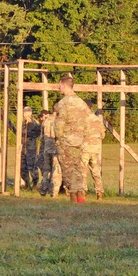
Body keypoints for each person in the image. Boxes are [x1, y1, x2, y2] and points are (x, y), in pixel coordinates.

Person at [53, 75, 92, 203]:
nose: (58, 88)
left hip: (66, 142)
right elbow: (88, 123)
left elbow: (59, 124)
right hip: (79, 142)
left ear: (64, 85)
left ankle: (73, 199)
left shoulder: (63, 103)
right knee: (78, 169)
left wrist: (58, 139)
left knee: (68, 171)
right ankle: (81, 198)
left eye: (59, 85)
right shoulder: (82, 103)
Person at [81, 108, 107, 200]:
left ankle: (83, 192)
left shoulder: (82, 119)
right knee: (96, 172)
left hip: (84, 149)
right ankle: (99, 192)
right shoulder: (98, 120)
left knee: (83, 172)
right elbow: (103, 135)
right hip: (95, 150)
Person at [38, 111, 62, 198]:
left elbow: (42, 137)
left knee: (46, 171)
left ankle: (43, 190)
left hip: (46, 150)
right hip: (56, 150)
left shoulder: (45, 121)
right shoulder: (59, 121)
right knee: (56, 171)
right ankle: (54, 192)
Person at [20, 106, 42, 190]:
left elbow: (37, 134)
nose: (26, 114)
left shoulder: (34, 123)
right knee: (22, 167)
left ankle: (35, 183)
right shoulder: (22, 123)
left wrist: (28, 130)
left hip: (31, 148)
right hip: (23, 147)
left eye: (28, 112)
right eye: (25, 112)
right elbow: (18, 132)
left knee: (32, 166)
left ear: (31, 113)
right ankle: (26, 182)